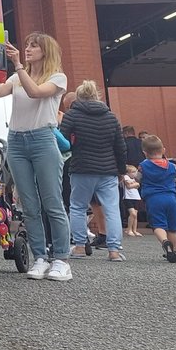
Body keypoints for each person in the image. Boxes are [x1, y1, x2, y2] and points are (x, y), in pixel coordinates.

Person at [0, 32, 72, 281]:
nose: (28, 49)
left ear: (46, 51)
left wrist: (17, 65)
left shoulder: (57, 77)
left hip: (43, 138)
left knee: (52, 202)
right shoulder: (17, 76)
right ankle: (40, 257)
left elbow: (36, 92)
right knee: (29, 204)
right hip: (16, 139)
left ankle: (61, 259)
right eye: (27, 45)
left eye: (34, 46)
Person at [59, 80, 126, 262]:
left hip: (81, 167)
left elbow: (62, 142)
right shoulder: (111, 117)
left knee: (78, 206)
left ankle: (80, 246)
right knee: (111, 209)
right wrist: (121, 170)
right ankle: (113, 250)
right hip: (108, 169)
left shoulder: (72, 115)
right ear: (97, 96)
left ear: (79, 98)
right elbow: (120, 147)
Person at [139, 134, 176, 262]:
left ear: (144, 153)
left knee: (158, 225)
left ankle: (165, 242)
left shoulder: (143, 166)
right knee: (172, 228)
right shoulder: (172, 166)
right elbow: (175, 178)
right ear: (163, 150)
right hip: (171, 198)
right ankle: (175, 253)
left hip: (154, 198)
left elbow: (138, 178)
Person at [123, 164, 143, 237]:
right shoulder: (126, 177)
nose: (135, 173)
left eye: (135, 172)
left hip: (136, 197)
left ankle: (134, 230)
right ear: (128, 173)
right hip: (128, 198)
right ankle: (129, 229)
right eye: (133, 172)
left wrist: (135, 184)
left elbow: (137, 185)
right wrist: (135, 184)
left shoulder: (134, 179)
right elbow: (128, 186)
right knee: (132, 214)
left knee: (135, 215)